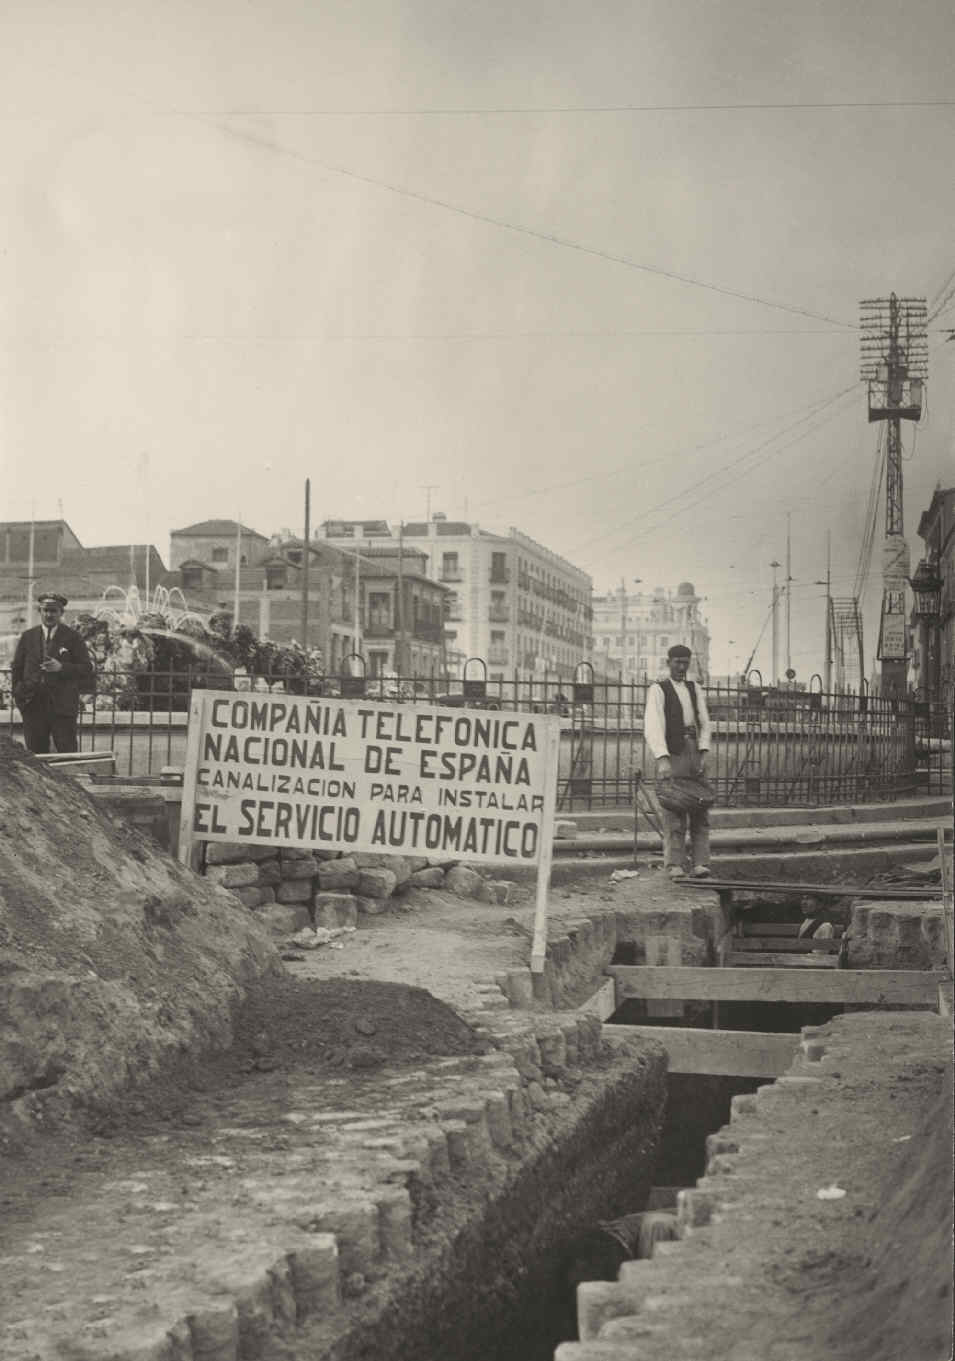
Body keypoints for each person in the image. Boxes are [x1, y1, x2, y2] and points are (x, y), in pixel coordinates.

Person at [644, 644, 713, 880]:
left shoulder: (695, 689)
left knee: (700, 806)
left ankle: (701, 863)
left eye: (686, 663)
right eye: (677, 662)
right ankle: (675, 864)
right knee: (674, 809)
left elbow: (704, 721)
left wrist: (703, 751)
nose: (682, 667)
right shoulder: (658, 689)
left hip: (694, 750)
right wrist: (662, 758)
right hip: (673, 752)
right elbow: (653, 726)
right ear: (668, 662)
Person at [11, 592, 94, 754]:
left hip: (62, 706)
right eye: (46, 610)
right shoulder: (28, 637)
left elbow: (86, 667)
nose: (49, 614)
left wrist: (61, 667)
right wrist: (19, 695)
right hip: (33, 705)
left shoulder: (73, 637)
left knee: (67, 753)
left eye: (54, 611)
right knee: (35, 755)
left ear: (61, 613)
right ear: (40, 612)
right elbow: (17, 668)